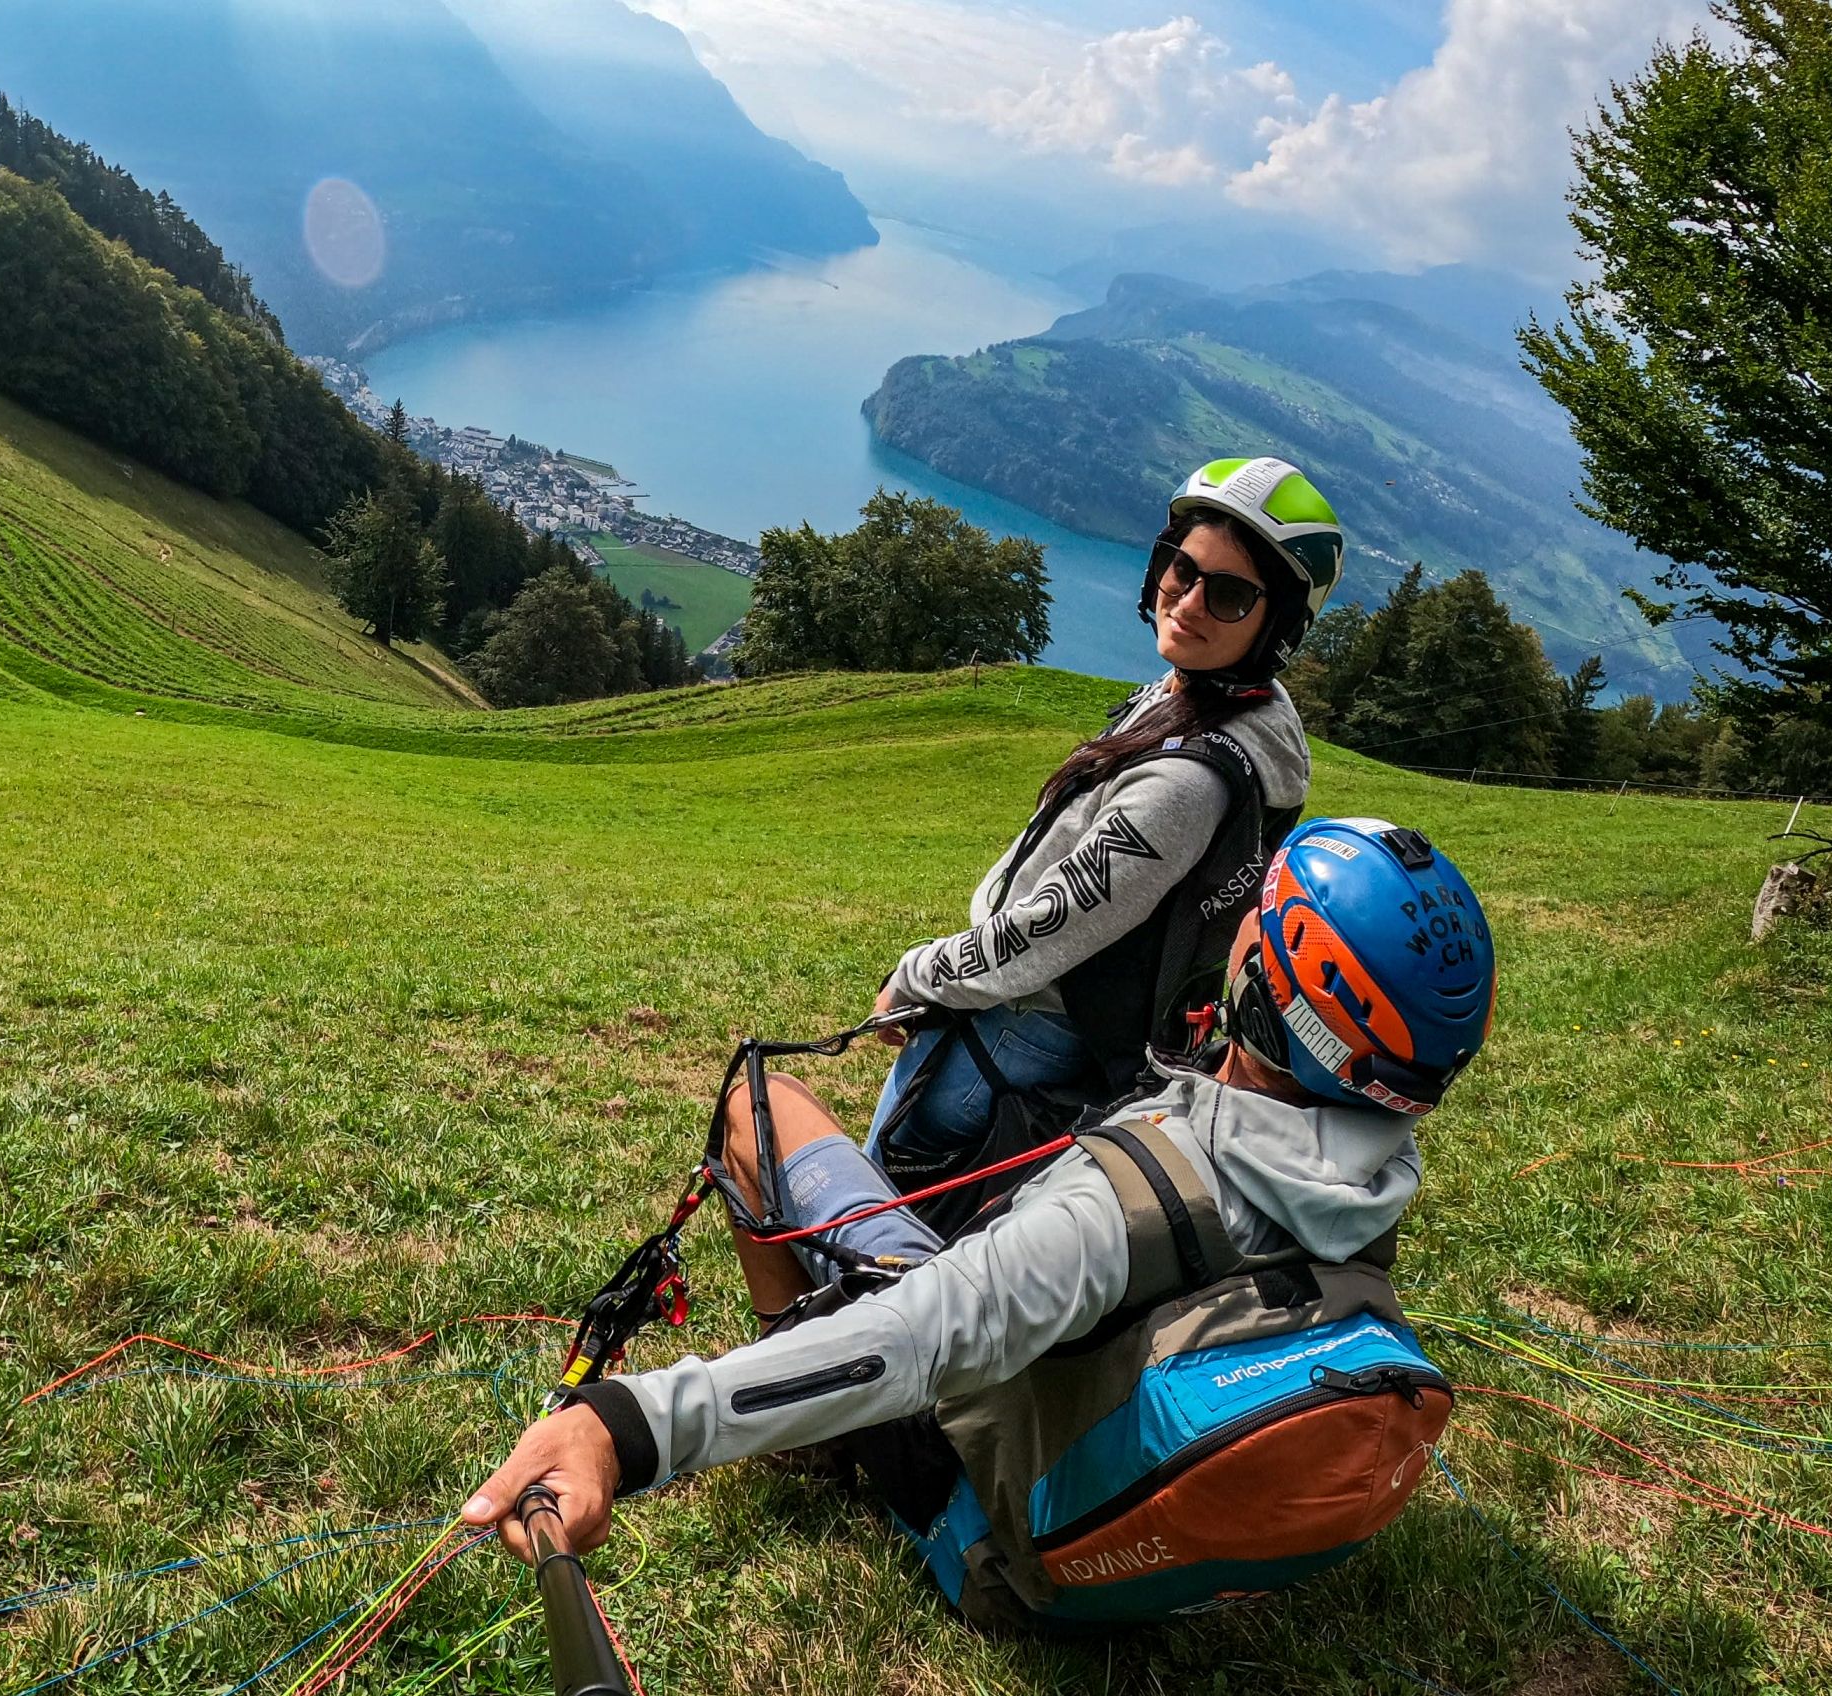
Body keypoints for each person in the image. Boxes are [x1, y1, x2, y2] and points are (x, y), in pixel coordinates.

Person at [462, 817, 1497, 1628]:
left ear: (1263, 989)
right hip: (1135, 1511)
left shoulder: (1114, 1210)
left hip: (999, 1540)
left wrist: (623, 1425)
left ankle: (807, 1438)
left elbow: (918, 1337)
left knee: (757, 1106)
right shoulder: (1370, 1179)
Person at [862, 455, 1347, 1189]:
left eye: (1230, 596)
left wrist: (918, 976)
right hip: (1048, 1026)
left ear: (1275, 626)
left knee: (873, 1218)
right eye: (1181, 570)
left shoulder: (1188, 781)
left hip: (1017, 1033)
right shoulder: (1229, 705)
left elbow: (1054, 924)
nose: (1186, 601)